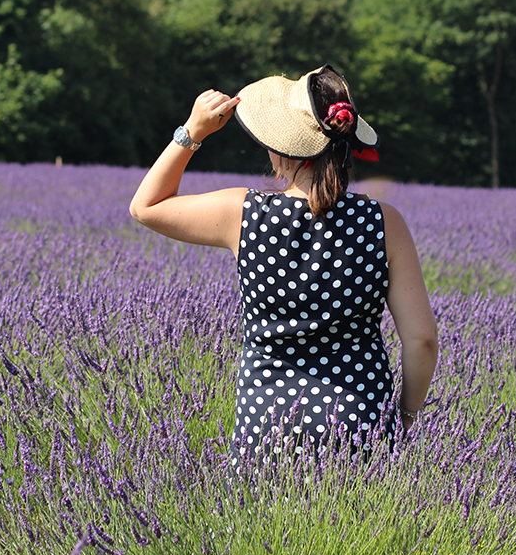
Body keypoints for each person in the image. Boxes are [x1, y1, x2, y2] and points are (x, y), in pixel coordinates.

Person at [129, 65, 437, 465]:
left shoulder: (243, 213)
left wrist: (193, 132)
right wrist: (406, 419)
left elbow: (145, 207)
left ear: (282, 149)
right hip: (361, 419)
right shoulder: (384, 222)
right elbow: (422, 341)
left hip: (266, 421)